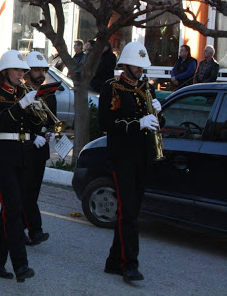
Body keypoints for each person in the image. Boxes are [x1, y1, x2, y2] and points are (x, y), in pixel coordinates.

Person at [99, 41, 162, 284]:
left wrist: (159, 111)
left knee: (132, 210)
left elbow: (156, 121)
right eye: (137, 66)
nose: (141, 70)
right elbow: (106, 123)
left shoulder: (147, 87)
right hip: (122, 156)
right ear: (126, 64)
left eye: (143, 66)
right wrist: (138, 124)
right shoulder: (112, 88)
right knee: (128, 211)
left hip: (142, 155)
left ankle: (114, 260)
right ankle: (129, 265)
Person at [0, 49, 36, 283]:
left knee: (10, 209)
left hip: (22, 155)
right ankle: (21, 264)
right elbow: (0, 120)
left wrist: (37, 108)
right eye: (17, 70)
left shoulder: (24, 92)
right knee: (13, 209)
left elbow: (35, 121)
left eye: (23, 70)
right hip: (1, 155)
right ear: (5, 72)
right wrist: (21, 105)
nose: (21, 74)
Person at [21, 52, 55, 246]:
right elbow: (18, 121)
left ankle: (31, 229)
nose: (41, 74)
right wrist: (33, 137)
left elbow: (52, 121)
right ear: (27, 72)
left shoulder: (49, 95)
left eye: (43, 70)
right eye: (37, 70)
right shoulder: (21, 93)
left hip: (41, 150)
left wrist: (49, 133)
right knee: (24, 191)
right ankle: (32, 229)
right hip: (25, 147)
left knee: (33, 191)